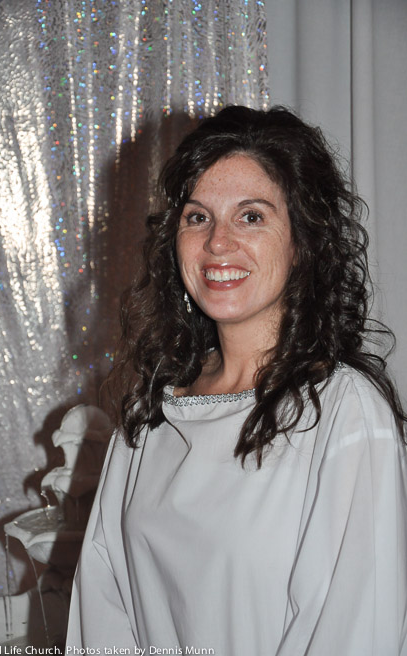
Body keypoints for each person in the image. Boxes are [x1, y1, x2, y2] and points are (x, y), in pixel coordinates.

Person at [65, 106, 407, 655]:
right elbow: (102, 606)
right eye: (197, 217)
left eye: (251, 216)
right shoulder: (151, 410)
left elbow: (355, 630)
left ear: (303, 242)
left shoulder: (345, 413)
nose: (217, 242)